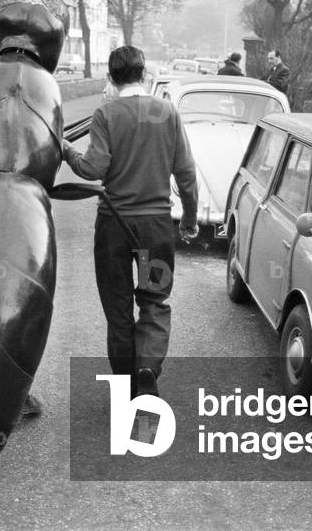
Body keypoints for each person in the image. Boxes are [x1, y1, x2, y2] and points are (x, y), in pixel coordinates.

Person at [63, 45, 198, 398]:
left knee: (118, 308)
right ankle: (147, 368)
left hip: (114, 227)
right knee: (155, 301)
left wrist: (66, 150)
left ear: (111, 79)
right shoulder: (167, 112)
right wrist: (190, 220)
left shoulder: (106, 114)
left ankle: (125, 385)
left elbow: (93, 169)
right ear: (145, 75)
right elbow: (185, 173)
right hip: (155, 227)